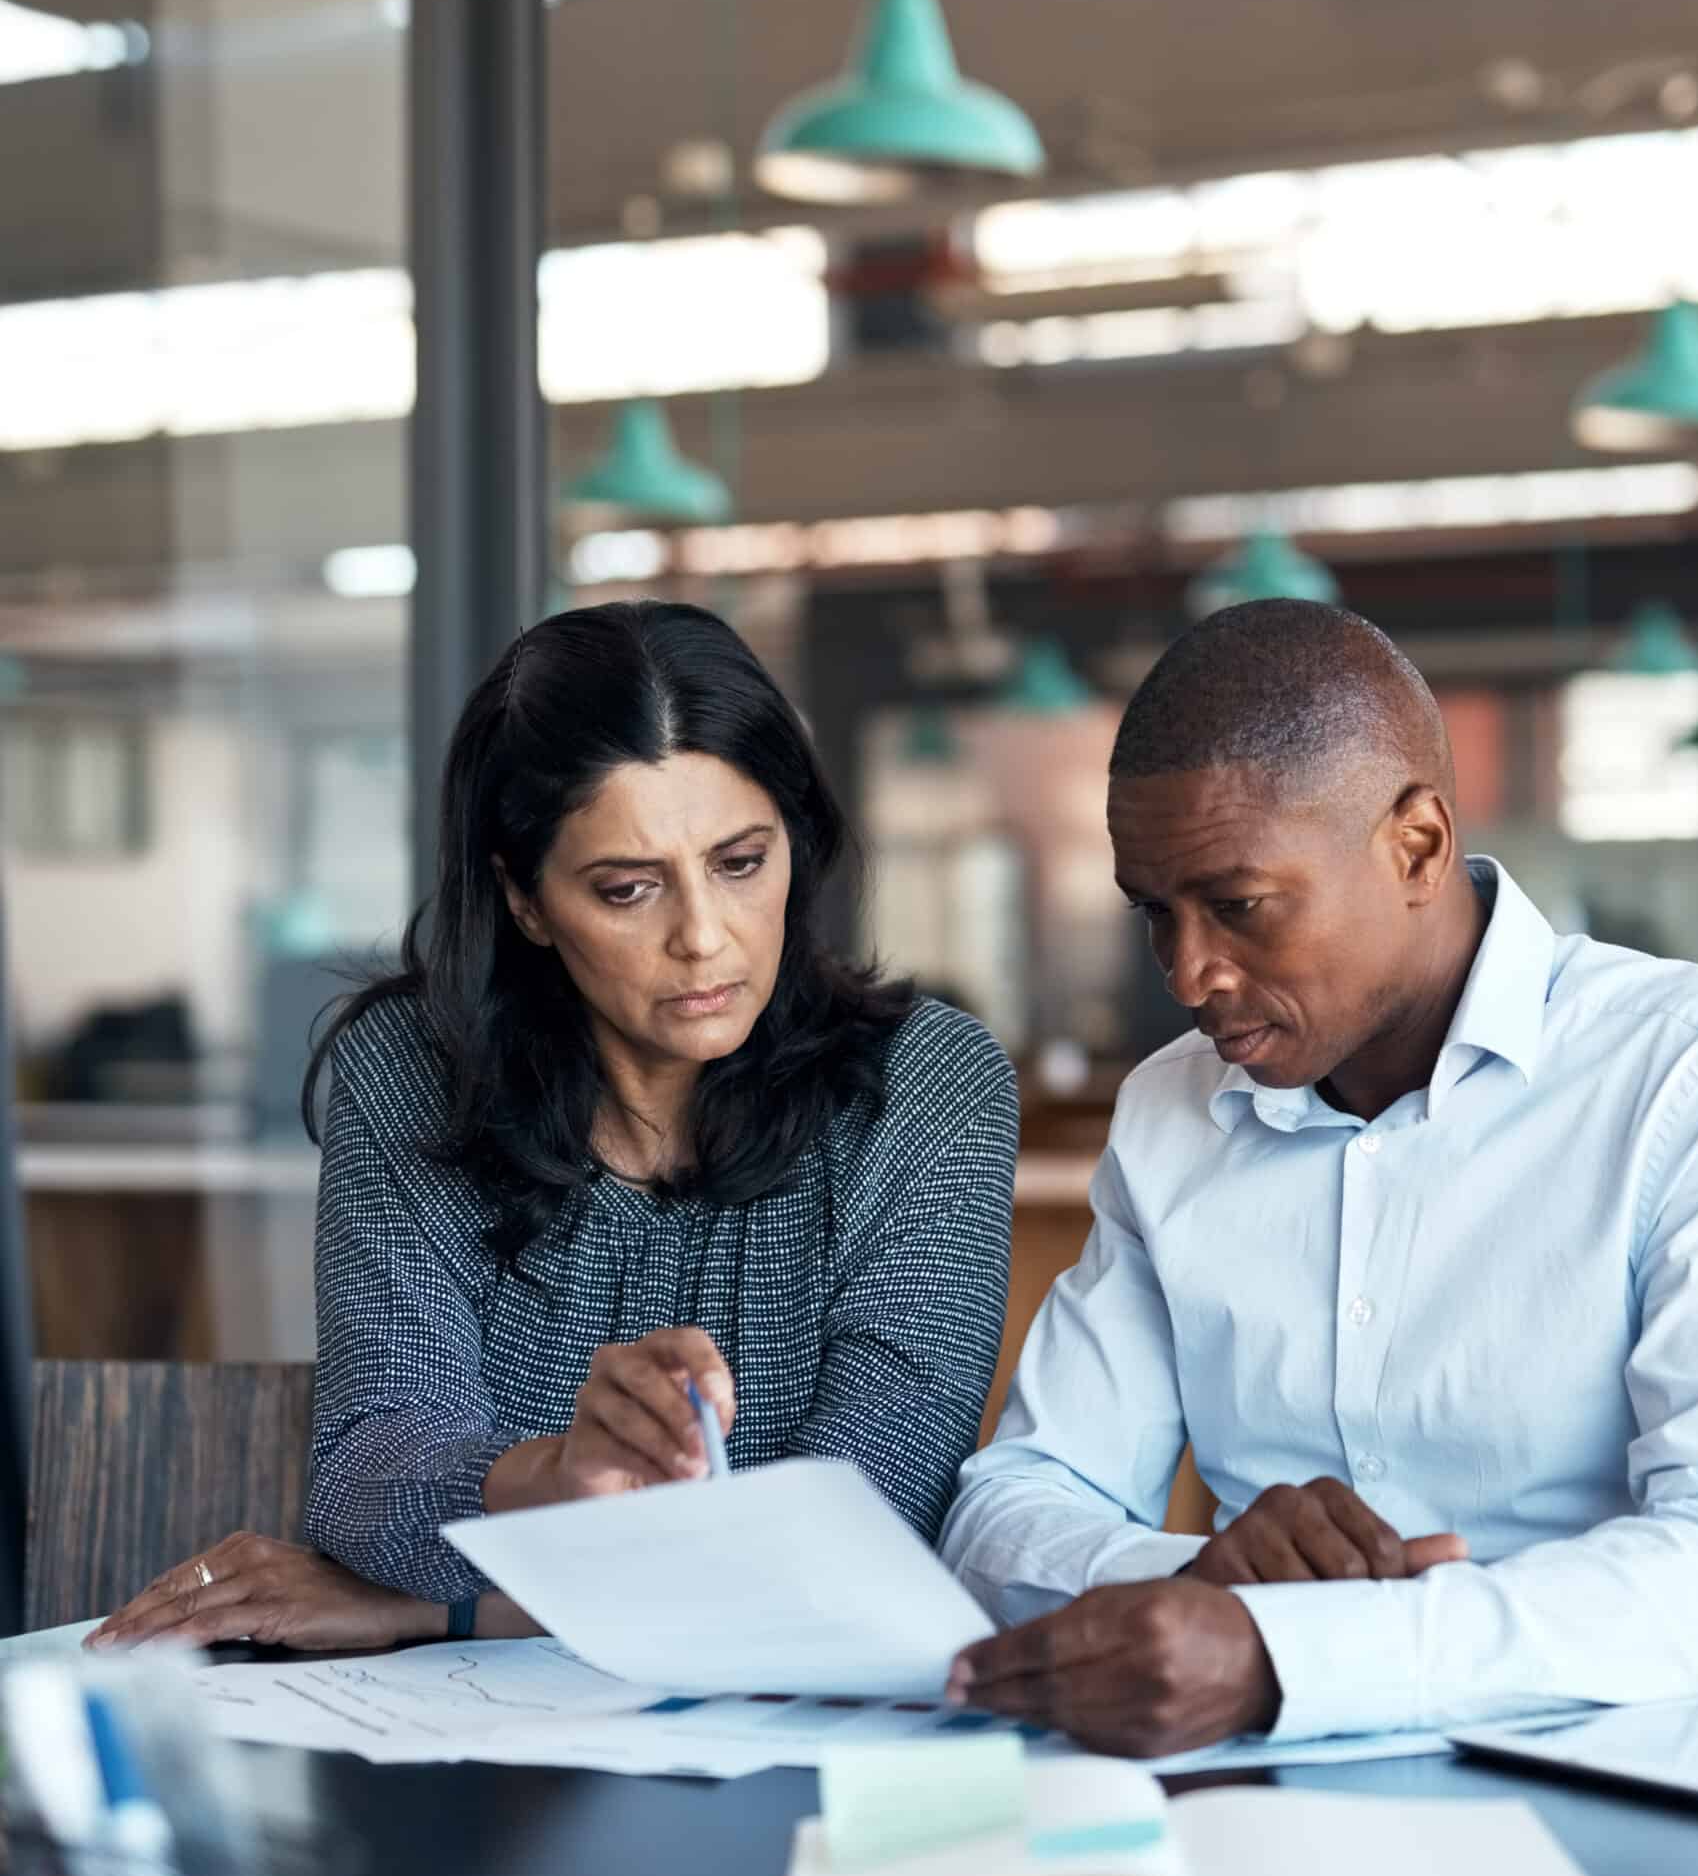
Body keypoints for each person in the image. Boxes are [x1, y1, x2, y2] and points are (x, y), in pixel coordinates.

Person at [938, 599, 1698, 1759]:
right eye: (1153, 914)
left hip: (1619, 1787)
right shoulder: (1172, 1113)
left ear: (1414, 844)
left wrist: (1295, 1655)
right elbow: (1013, 1506)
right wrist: (1196, 1581)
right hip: (1256, 1807)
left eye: (1237, 906)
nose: (1187, 971)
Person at [92, 601, 1017, 1653]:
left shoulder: (925, 1085)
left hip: (804, 1736)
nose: (704, 938)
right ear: (524, 899)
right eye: (627, 888)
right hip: (492, 1750)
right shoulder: (408, 1070)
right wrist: (562, 1471)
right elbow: (366, 1484)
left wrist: (433, 1608)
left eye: (741, 863)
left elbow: (864, 1529)